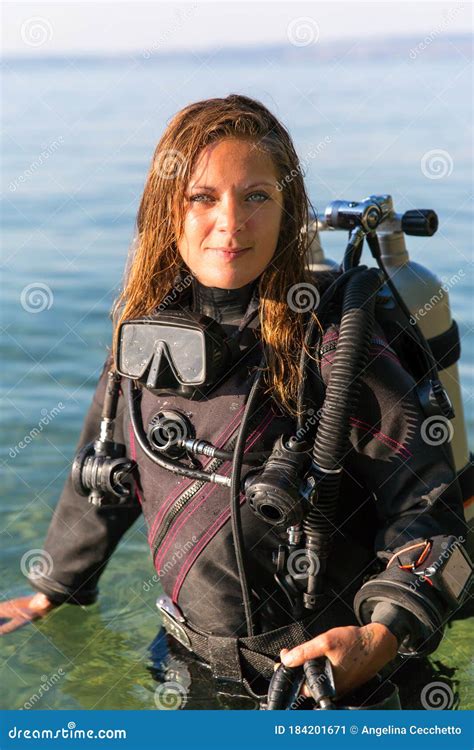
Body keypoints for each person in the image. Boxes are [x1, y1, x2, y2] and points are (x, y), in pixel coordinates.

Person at [0, 95, 468, 709]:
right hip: (184, 663)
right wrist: (52, 586)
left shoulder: (333, 343)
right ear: (168, 209)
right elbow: (105, 465)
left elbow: (428, 507)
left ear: (287, 209)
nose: (231, 223)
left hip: (333, 681)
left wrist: (381, 635)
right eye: (203, 197)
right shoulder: (146, 337)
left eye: (256, 197)